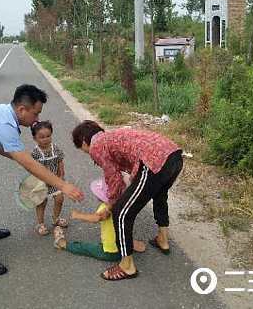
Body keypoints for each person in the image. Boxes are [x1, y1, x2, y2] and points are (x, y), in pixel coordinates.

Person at [0, 84, 84, 276]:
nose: (37, 119)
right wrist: (63, 185)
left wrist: (22, 158)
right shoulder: (5, 123)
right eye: (35, 113)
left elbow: (1, 146)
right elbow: (26, 161)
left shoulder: (4, 114)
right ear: (22, 109)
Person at [72, 120, 183, 281]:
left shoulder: (97, 146)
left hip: (153, 161)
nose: (87, 154)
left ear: (83, 142)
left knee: (121, 213)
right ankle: (162, 239)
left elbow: (114, 179)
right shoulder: (111, 136)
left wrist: (110, 206)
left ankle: (127, 266)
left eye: (83, 150)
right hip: (174, 155)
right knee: (159, 194)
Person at [53, 178, 145, 261]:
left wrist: (78, 215)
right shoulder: (126, 206)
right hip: (125, 249)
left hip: (111, 252)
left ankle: (62, 244)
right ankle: (131, 244)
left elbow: (96, 218)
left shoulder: (106, 208)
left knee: (86, 248)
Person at [30, 121, 68, 236]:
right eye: (41, 137)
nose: (45, 139)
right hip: (41, 182)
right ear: (35, 138)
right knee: (41, 202)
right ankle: (40, 223)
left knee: (60, 199)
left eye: (48, 136)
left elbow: (60, 161)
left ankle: (56, 218)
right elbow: (33, 168)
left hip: (55, 180)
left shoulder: (55, 148)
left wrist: (61, 175)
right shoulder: (35, 152)